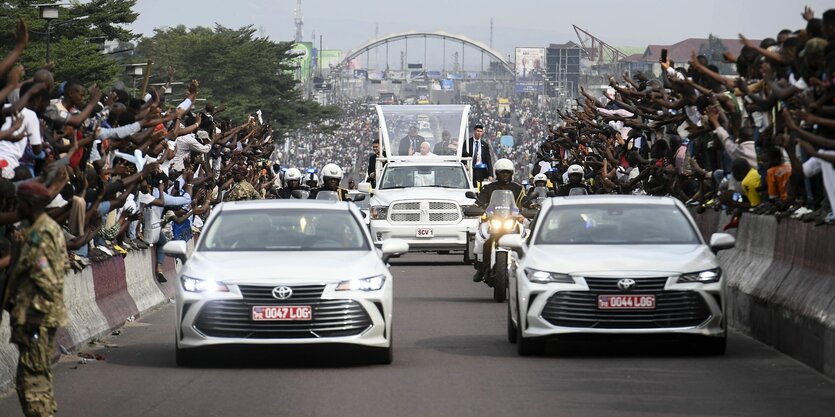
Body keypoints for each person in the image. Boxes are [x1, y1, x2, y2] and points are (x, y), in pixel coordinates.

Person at [2, 181, 68, 417]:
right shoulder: (38, 230)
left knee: (33, 384)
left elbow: (48, 279)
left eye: (20, 202)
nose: (16, 207)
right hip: (33, 316)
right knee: (30, 379)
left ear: (29, 204)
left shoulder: (42, 234)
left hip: (37, 319)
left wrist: (33, 316)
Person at [472, 158, 528, 282]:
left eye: (507, 172)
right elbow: (480, 201)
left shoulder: (518, 189)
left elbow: (525, 202)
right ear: (496, 173)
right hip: (493, 220)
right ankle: (482, 268)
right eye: (502, 172)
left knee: (524, 238)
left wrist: (531, 207)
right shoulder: (488, 188)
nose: (505, 175)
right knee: (484, 238)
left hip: (512, 220)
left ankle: (524, 265)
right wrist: (475, 207)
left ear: (512, 174)